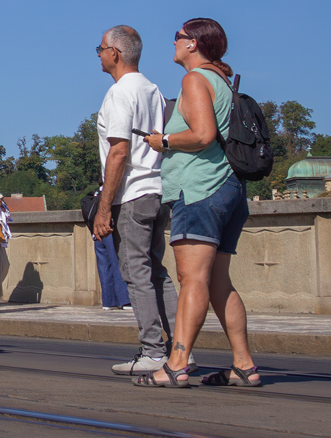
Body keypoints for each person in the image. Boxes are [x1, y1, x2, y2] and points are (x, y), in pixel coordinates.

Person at [138, 19, 259, 388]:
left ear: (193, 44)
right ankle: (244, 365)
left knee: (192, 278)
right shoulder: (223, 82)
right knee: (218, 281)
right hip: (229, 188)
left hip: (200, 188)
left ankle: (175, 364)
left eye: (177, 37)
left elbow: (203, 134)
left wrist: (165, 141)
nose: (172, 42)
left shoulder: (195, 80)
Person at [92, 24, 181, 375]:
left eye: (100, 48)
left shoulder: (119, 93)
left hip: (131, 195)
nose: (98, 54)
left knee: (135, 272)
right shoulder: (154, 91)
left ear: (115, 53)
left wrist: (104, 207)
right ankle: (179, 349)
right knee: (157, 271)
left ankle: (153, 350)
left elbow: (118, 152)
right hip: (158, 190)